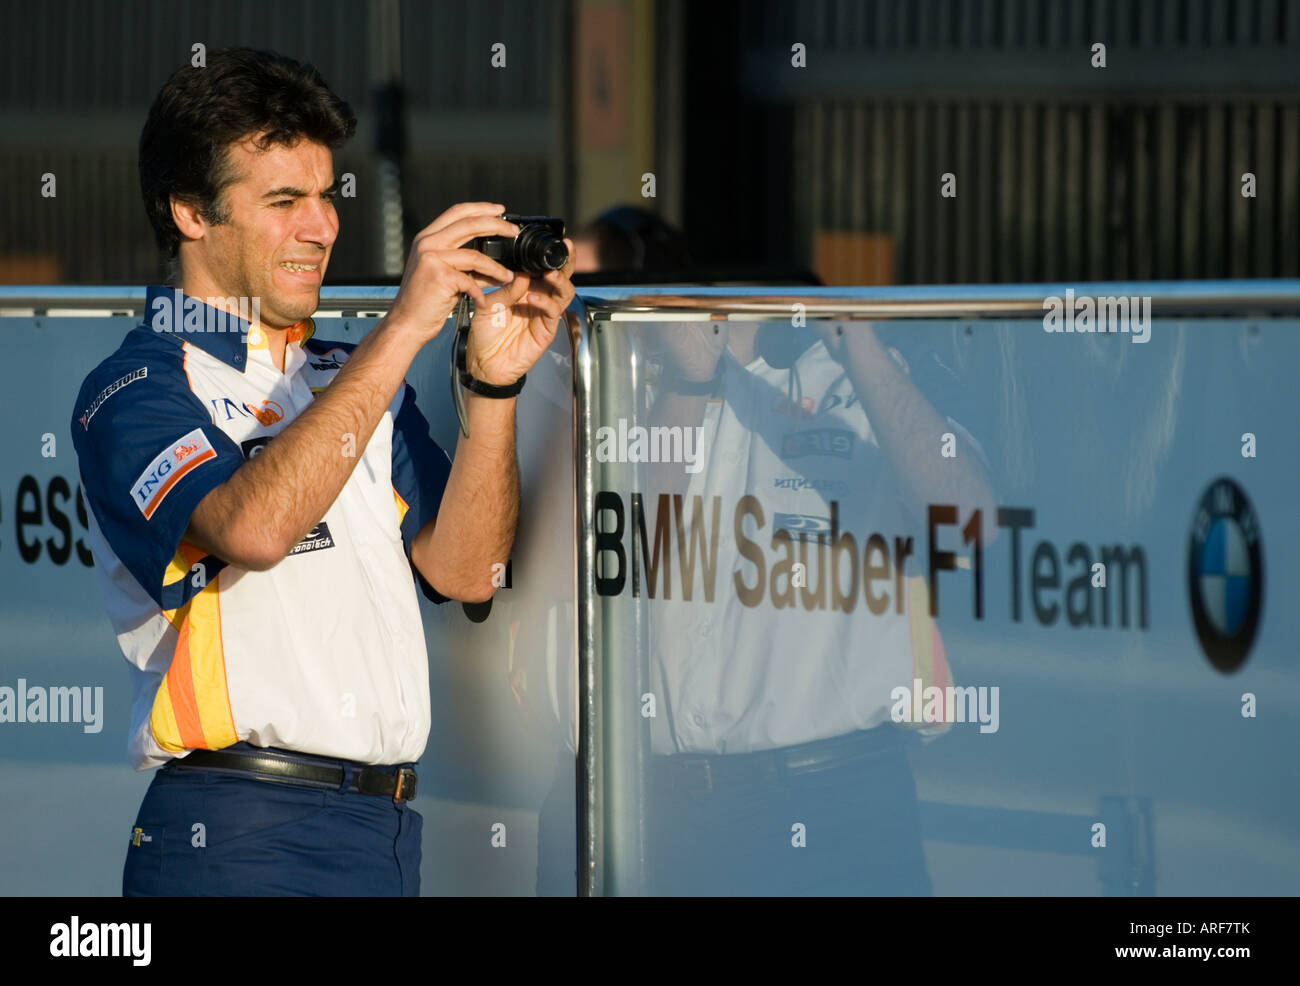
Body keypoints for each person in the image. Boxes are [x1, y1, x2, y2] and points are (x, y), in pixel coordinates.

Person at [69, 47, 575, 897]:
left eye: (326, 196)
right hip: (235, 826)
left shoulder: (351, 372)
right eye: (283, 201)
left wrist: (493, 387)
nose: (322, 226)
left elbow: (468, 573)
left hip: (380, 828)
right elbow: (252, 530)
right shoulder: (134, 387)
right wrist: (404, 329)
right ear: (190, 211)